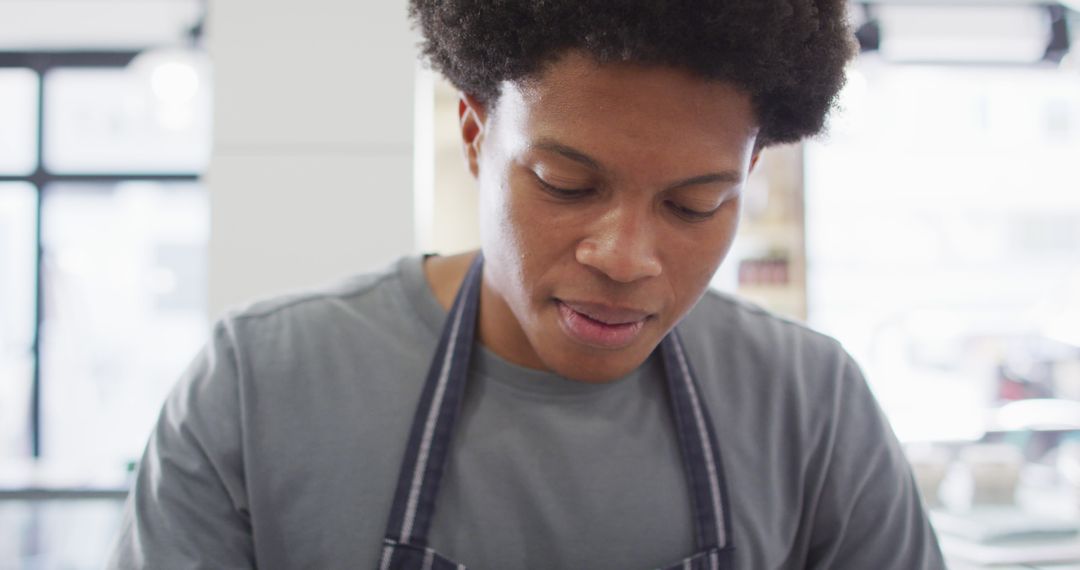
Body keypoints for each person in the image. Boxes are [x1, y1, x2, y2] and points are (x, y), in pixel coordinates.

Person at [109, 1, 946, 568]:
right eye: (564, 184)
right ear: (475, 133)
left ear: (750, 173)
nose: (624, 258)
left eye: (694, 205)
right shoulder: (261, 387)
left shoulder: (813, 405)